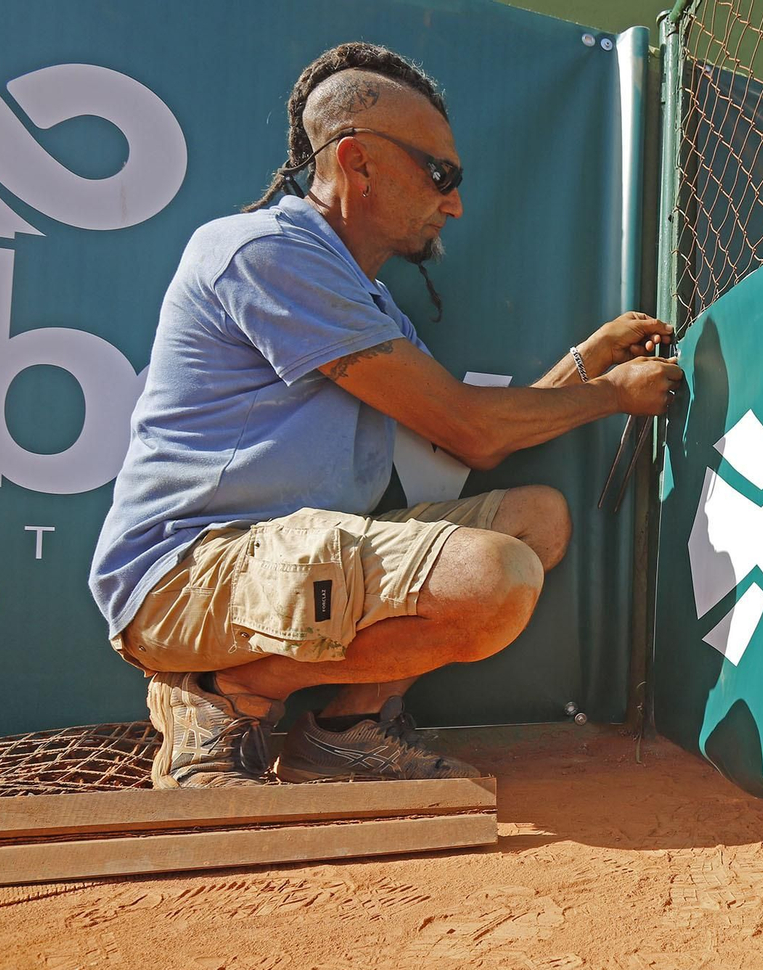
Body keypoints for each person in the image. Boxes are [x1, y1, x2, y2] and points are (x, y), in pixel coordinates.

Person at [87, 42, 682, 789]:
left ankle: (344, 731)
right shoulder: (264, 252)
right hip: (188, 576)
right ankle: (219, 697)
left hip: (300, 563)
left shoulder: (365, 297)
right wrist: (613, 396)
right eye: (441, 174)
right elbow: (472, 427)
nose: (455, 201)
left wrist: (588, 363)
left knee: (538, 521)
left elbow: (462, 435)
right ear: (359, 161)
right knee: (492, 578)